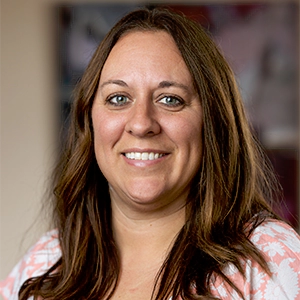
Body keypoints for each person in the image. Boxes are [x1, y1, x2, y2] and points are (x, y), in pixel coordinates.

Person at [1, 6, 300, 300]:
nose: (142, 123)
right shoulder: (48, 262)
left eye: (170, 99)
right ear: (89, 120)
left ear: (213, 122)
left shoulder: (269, 261)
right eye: (118, 98)